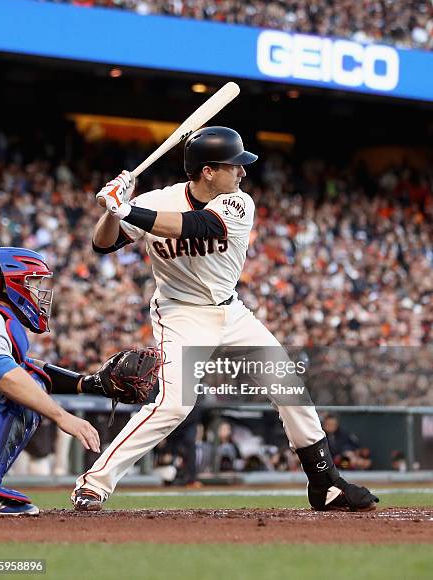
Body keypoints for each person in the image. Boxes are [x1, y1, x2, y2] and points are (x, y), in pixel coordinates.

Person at [72, 126, 379, 513]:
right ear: (207, 171)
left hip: (231, 311)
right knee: (173, 405)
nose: (242, 172)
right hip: (180, 312)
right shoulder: (157, 200)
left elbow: (198, 226)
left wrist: (127, 208)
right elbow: (103, 243)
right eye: (234, 166)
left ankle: (325, 484)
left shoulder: (237, 203)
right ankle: (94, 485)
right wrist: (111, 211)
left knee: (288, 387)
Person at [0, 246, 135, 516]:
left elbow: (28, 367)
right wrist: (62, 416)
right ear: (13, 283)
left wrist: (86, 383)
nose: (40, 293)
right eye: (35, 282)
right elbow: (5, 374)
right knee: (26, 387)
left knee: (29, 379)